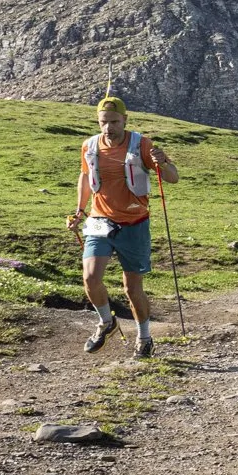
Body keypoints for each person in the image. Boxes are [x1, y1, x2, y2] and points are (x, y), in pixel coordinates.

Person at [68, 96, 178, 358]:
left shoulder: (142, 145)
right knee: (90, 278)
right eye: (104, 122)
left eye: (114, 122)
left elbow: (173, 177)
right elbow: (85, 177)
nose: (109, 128)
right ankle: (107, 322)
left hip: (134, 223)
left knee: (132, 289)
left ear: (125, 120)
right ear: (98, 121)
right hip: (99, 220)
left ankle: (144, 337)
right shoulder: (90, 146)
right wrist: (79, 212)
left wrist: (163, 162)